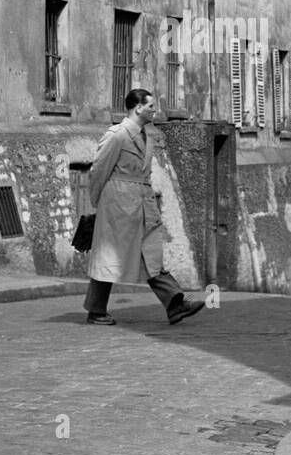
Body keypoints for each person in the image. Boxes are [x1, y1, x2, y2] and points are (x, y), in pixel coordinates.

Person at [84, 88, 206, 328]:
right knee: (108, 256)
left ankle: (175, 303)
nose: (155, 110)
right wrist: (99, 204)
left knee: (151, 252)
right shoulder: (117, 135)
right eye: (151, 106)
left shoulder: (148, 136)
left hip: (142, 201)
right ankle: (96, 310)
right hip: (117, 204)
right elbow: (98, 170)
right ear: (138, 108)